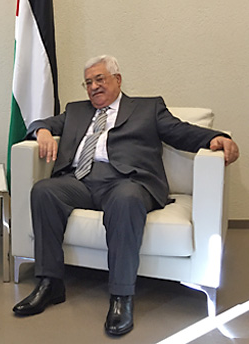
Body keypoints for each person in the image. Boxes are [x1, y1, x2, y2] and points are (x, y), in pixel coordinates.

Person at [12, 55, 239, 336]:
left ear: (117, 80)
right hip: (81, 181)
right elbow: (42, 122)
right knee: (45, 190)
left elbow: (179, 132)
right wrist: (43, 131)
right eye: (88, 83)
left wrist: (213, 138)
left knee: (125, 199)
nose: (93, 87)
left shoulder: (147, 108)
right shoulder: (76, 110)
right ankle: (50, 283)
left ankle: (121, 296)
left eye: (100, 79)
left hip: (127, 181)